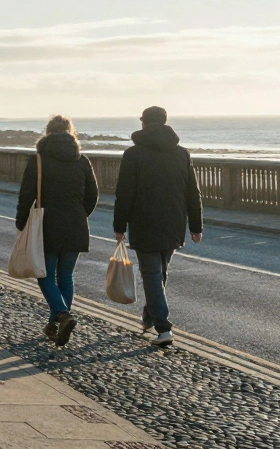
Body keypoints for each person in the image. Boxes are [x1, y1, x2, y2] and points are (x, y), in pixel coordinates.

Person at [113, 106, 204, 347]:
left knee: (152, 274)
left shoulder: (133, 154)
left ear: (143, 123)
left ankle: (164, 329)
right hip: (174, 223)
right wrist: (196, 226)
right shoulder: (182, 154)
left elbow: (124, 194)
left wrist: (119, 225)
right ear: (164, 123)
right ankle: (149, 317)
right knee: (159, 272)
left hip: (144, 223)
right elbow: (192, 193)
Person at [15, 115, 99, 347]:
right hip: (76, 225)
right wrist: (81, 215)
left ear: (48, 132)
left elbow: (26, 195)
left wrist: (22, 223)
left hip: (48, 225)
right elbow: (93, 195)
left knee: (44, 275)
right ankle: (56, 324)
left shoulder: (39, 160)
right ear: (71, 132)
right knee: (65, 277)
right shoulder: (82, 160)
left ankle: (62, 315)